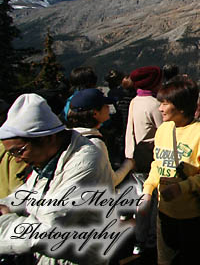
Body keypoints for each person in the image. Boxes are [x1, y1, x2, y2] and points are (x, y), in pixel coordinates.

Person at [0, 94, 114, 264]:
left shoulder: (85, 160)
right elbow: (28, 192)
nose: (17, 159)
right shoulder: (51, 157)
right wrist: (5, 204)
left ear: (48, 138)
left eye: (19, 151)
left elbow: (49, 229)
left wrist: (5, 219)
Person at [141, 76, 200, 263]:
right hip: (164, 213)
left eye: (165, 103)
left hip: (191, 215)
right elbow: (158, 163)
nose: (160, 108)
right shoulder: (163, 129)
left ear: (182, 107)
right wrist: (148, 190)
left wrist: (183, 187)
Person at [125, 65, 164, 255]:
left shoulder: (135, 100)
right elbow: (163, 131)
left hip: (135, 156)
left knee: (141, 197)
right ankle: (151, 238)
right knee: (153, 199)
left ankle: (139, 237)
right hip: (151, 156)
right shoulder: (154, 104)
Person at [67, 88, 134, 188]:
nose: (108, 107)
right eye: (105, 105)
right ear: (95, 114)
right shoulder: (95, 143)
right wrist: (129, 163)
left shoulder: (69, 137)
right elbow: (111, 181)